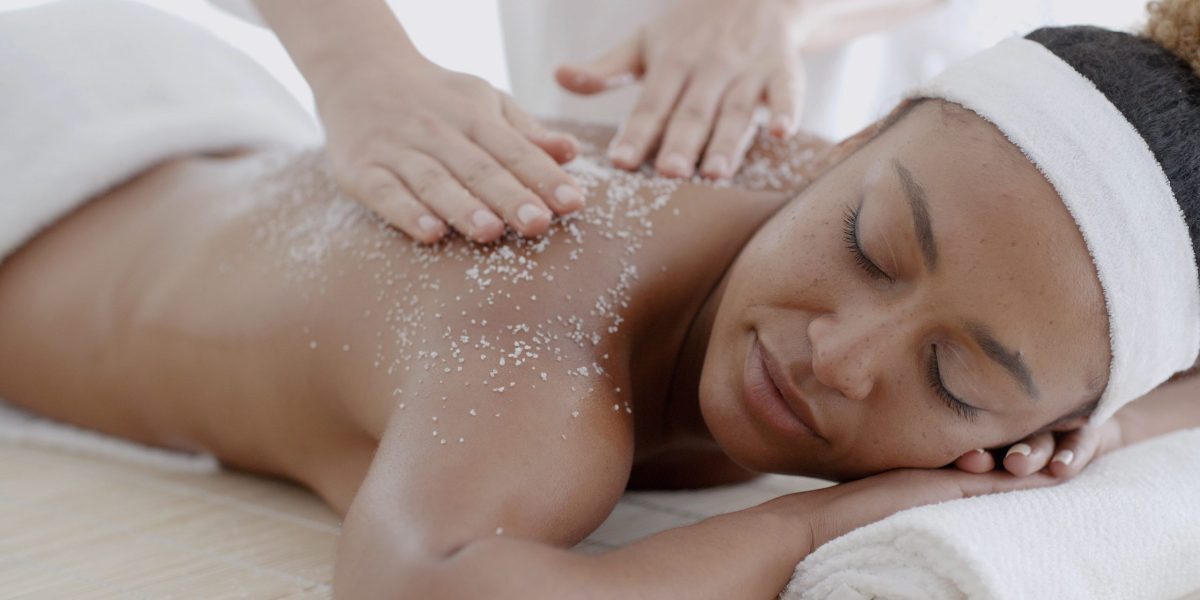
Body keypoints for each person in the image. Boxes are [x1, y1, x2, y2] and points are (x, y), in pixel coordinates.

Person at [3, 0, 1200, 597]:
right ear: (849, 144)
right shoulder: (539, 355)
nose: (841, 355)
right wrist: (818, 523)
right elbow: (431, 585)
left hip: (183, 121)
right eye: (871, 248)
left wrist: (1113, 422)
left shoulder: (842, 186)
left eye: (958, 379)